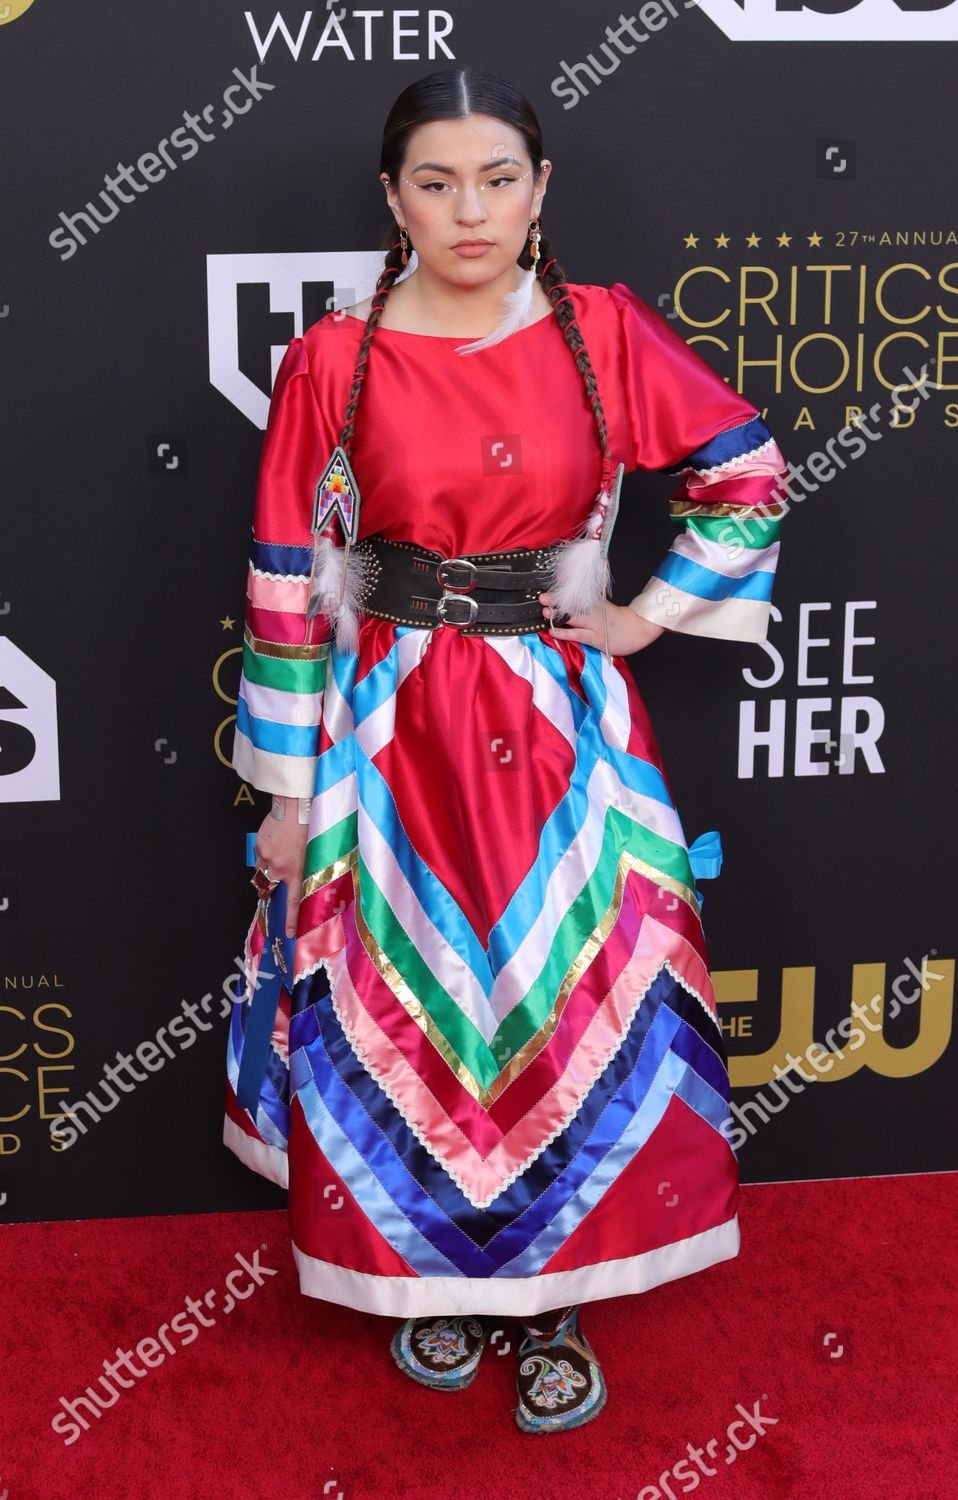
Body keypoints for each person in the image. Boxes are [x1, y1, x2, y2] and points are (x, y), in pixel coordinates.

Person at [224, 66, 788, 1434]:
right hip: (385, 727)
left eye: (496, 180)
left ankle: (555, 1300)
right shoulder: (333, 358)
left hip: (560, 724)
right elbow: (290, 576)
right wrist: (286, 791)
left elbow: (744, 471)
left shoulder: (604, 333)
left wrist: (644, 616)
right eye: (436, 182)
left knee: (563, 995)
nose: (468, 211)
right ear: (392, 198)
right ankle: (429, 1281)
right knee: (398, 992)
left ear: (540, 192)